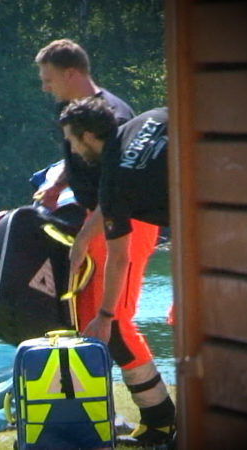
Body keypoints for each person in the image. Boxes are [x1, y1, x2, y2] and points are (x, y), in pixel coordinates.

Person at [33, 39, 173, 446]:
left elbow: (116, 193)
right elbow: (83, 165)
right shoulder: (77, 117)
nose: (45, 87)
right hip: (105, 216)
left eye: (48, 79)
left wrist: (83, 238)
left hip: (127, 221)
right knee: (94, 314)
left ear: (71, 73)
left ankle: (161, 418)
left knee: (115, 320)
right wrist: (59, 182)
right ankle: (120, 412)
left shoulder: (114, 115)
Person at [59, 97, 175, 445]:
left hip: (220, 226)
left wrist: (106, 315)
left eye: (73, 142)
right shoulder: (150, 119)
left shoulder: (112, 183)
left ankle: (162, 423)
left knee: (120, 331)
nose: (74, 151)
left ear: (90, 136)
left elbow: (119, 256)